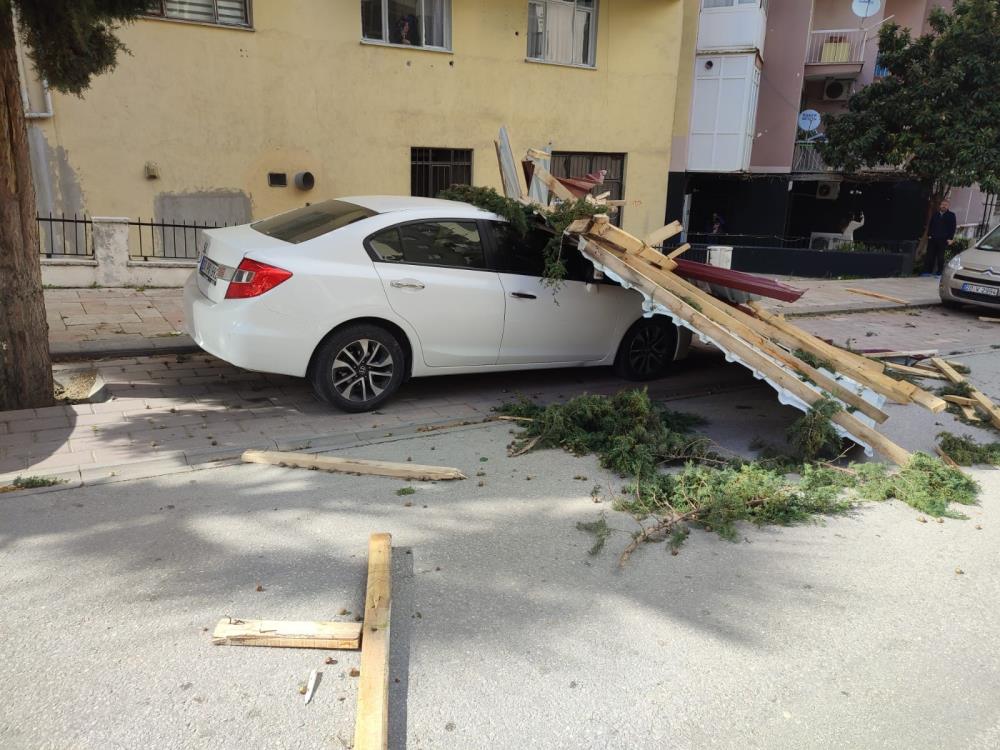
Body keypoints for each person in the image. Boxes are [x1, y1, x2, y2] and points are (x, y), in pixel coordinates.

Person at [924, 198, 957, 275]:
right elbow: (931, 225)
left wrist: (950, 238)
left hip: (943, 239)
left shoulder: (951, 215)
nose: (944, 206)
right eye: (942, 205)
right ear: (940, 206)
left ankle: (939, 272)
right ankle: (928, 271)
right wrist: (929, 235)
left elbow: (953, 227)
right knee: (930, 255)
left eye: (945, 205)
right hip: (933, 238)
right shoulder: (935, 214)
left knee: (940, 257)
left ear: (948, 206)